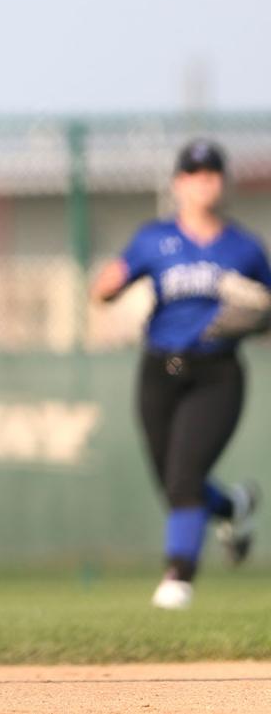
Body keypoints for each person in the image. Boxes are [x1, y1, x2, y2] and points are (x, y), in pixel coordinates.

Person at [91, 139, 265, 610]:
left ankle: (179, 576)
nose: (203, 180)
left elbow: (266, 314)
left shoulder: (245, 248)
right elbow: (107, 287)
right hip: (159, 372)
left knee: (186, 476)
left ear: (225, 182)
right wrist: (108, 283)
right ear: (177, 183)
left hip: (218, 374)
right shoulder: (154, 239)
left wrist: (261, 316)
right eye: (193, 172)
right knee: (173, 481)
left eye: (212, 172)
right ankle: (233, 507)